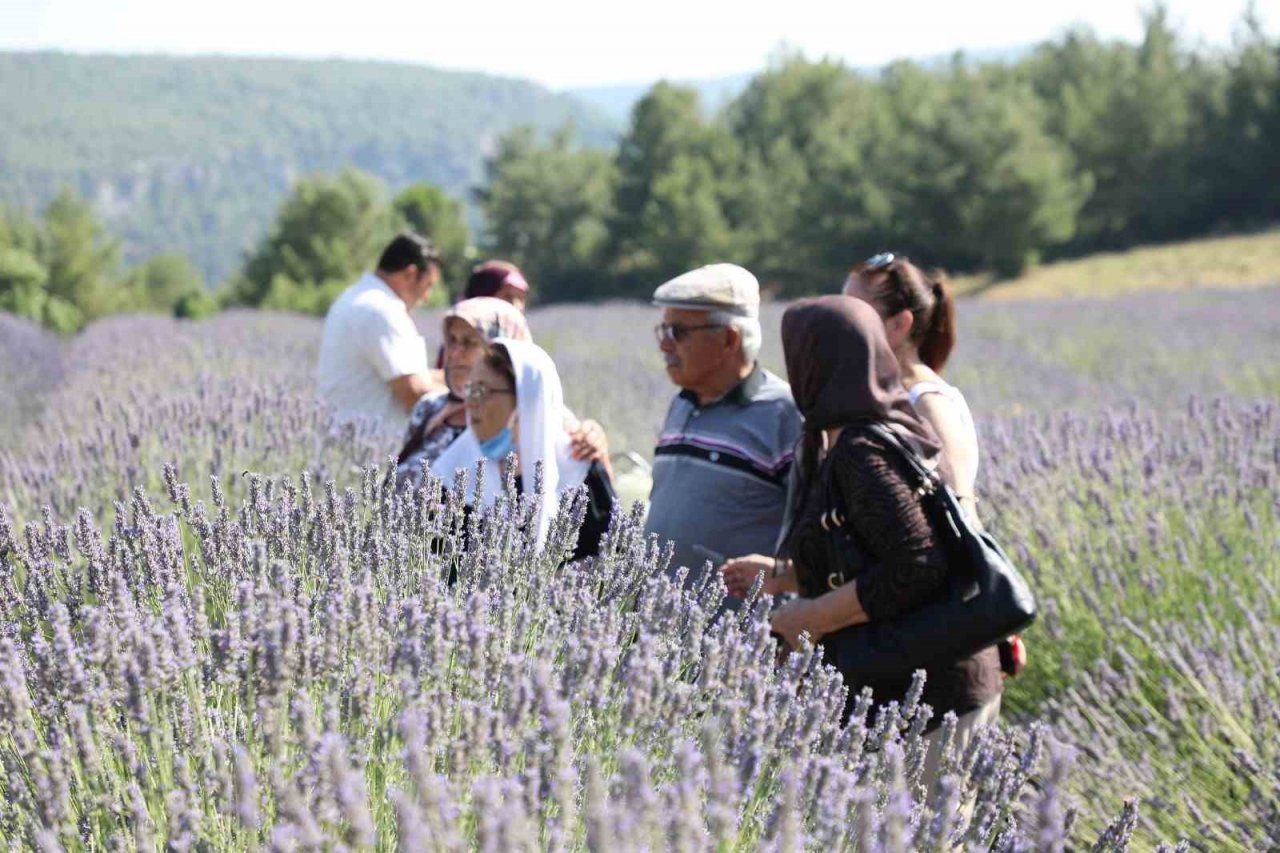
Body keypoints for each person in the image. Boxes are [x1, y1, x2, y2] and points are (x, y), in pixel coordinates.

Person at [721, 296, 1002, 786]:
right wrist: (785, 575)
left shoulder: (862, 449)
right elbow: (871, 552)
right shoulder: (864, 431)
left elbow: (918, 563)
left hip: (931, 702)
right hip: (912, 689)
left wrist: (813, 616)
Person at [644, 263, 803, 600]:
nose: (666, 346)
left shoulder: (785, 414)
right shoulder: (681, 404)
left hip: (737, 641)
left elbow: (817, 543)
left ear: (730, 339)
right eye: (664, 331)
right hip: (658, 631)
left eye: (679, 332)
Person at [428, 339, 615, 559]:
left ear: (525, 399)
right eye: (469, 390)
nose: (470, 403)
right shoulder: (452, 474)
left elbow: (612, 566)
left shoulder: (579, 475)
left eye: (481, 391)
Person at [396, 297, 610, 489]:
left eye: (470, 342)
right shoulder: (430, 408)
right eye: (451, 340)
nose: (454, 352)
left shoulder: (545, 418)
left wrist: (595, 445)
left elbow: (588, 485)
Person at [842, 252, 979, 521]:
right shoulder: (881, 391)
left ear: (899, 325)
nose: (839, 325)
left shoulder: (928, 401)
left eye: (853, 313)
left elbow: (959, 510)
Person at [316, 233, 445, 433]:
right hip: (369, 446)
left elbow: (411, 375)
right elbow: (413, 392)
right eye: (427, 285)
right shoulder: (383, 310)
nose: (427, 297)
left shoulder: (355, 297)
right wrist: (473, 397)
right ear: (410, 274)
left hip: (344, 435)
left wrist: (460, 379)